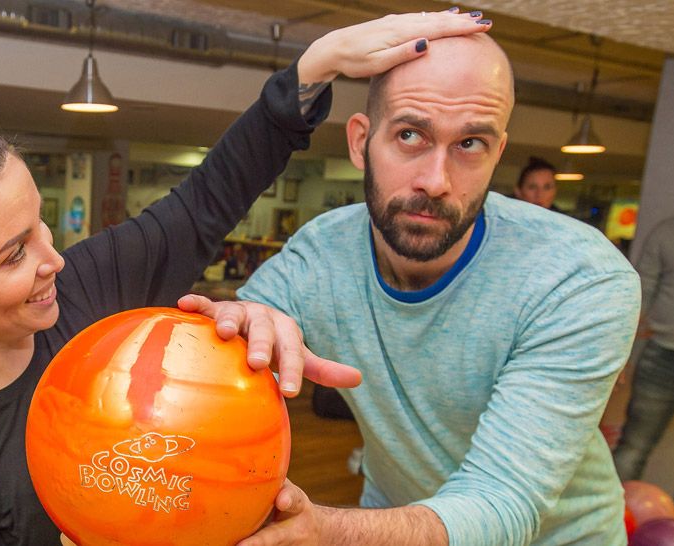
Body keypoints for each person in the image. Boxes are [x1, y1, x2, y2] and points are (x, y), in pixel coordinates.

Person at [0, 11, 491, 543]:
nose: (52, 260)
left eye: (39, 229)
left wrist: (314, 67)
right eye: (12, 255)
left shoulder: (86, 292)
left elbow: (206, 200)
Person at [189, 24, 641, 546]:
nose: (436, 180)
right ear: (361, 142)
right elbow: (221, 349)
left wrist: (326, 532)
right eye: (410, 135)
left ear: (498, 154)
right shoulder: (322, 252)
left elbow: (502, 502)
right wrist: (237, 324)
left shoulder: (579, 278)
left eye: (470, 143)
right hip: (397, 518)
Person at [613, 213, 674, 512]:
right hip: (662, 357)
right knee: (634, 446)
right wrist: (621, 354)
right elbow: (639, 296)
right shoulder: (667, 232)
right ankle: (608, 524)